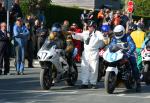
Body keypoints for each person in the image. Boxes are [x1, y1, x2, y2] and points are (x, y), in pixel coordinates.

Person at [72, 20, 106, 89]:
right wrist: (73, 33)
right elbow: (79, 36)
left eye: (91, 27)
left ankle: (93, 83)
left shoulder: (98, 33)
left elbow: (102, 37)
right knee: (84, 67)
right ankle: (85, 83)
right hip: (86, 52)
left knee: (94, 68)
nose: (89, 28)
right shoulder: (86, 33)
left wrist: (104, 37)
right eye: (89, 27)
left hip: (94, 52)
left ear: (94, 27)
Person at [109, 25, 141, 92]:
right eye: (116, 33)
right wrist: (109, 49)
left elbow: (133, 46)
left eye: (119, 33)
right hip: (118, 54)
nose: (117, 34)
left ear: (123, 31)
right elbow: (111, 45)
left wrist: (128, 53)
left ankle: (138, 83)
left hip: (128, 53)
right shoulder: (114, 38)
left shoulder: (128, 37)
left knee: (134, 65)